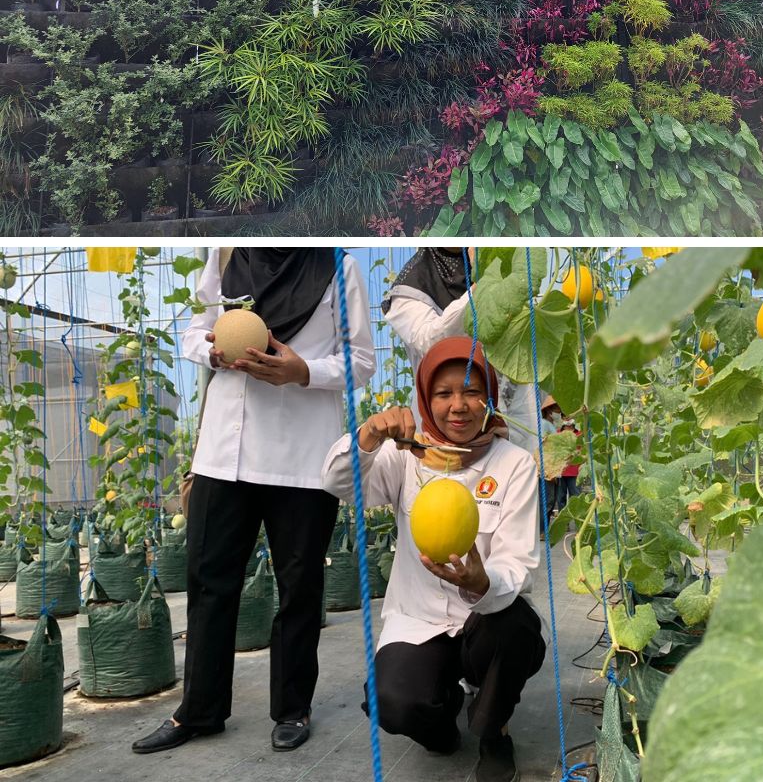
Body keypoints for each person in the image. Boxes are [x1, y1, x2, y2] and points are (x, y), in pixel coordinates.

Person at [134, 248, 375, 755]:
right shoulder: (224, 258)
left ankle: (292, 708)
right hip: (226, 451)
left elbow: (362, 360)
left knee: (299, 584)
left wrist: (302, 370)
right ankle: (198, 710)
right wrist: (212, 352)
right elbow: (193, 330)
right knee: (208, 579)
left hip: (303, 452)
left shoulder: (336, 265)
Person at [327, 337, 545, 782]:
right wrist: (368, 435)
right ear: (426, 397)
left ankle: (493, 732)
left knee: (517, 627)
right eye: (444, 393)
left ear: (489, 398)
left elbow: (519, 562)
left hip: (482, 621)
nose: (458, 406)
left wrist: (482, 582)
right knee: (393, 702)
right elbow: (338, 484)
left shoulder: (514, 464)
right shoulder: (405, 456)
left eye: (471, 392)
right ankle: (440, 725)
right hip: (419, 620)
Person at [383, 247, 541, 431]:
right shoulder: (412, 283)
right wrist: (482, 285)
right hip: (450, 422)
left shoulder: (499, 256)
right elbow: (432, 342)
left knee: (518, 454)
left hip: (513, 409)